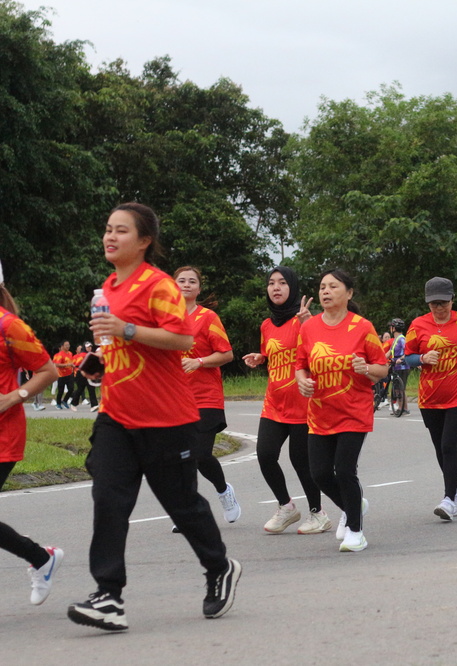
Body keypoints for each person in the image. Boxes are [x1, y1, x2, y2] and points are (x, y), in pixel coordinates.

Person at [68, 203, 239, 632]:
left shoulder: (158, 285)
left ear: (144, 240)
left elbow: (181, 338)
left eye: (121, 230)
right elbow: (117, 344)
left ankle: (219, 567)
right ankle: (108, 595)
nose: (110, 236)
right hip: (116, 415)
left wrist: (126, 329)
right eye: (108, 229)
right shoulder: (108, 287)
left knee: (182, 505)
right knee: (109, 500)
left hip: (166, 418)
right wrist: (99, 361)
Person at [295, 269, 386, 552]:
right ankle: (353, 504)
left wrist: (366, 368)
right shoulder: (309, 328)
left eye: (333, 286)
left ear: (349, 293)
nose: (325, 291)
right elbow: (300, 365)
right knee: (320, 474)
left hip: (353, 411)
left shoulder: (362, 327)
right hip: (320, 414)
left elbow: (382, 369)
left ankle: (356, 532)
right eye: (322, 286)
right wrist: (302, 382)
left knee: (345, 471)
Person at [242, 267, 327, 534]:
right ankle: (286, 506)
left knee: (301, 461)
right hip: (274, 402)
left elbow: (322, 351)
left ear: (292, 287)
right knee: (265, 455)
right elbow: (272, 351)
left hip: (302, 403)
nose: (276, 287)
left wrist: (308, 323)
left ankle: (318, 513)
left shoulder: (305, 320)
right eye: (271, 283)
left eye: (282, 283)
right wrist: (261, 357)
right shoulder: (266, 325)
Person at [0, 259, 63, 605]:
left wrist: (14, 396)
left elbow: (48, 371)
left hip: (2, 435)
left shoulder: (9, 326)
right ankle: (41, 558)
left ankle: (42, 558)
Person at [404, 277, 457, 521]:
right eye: (433, 304)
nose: (439, 308)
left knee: (449, 445)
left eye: (443, 303)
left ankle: (449, 499)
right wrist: (422, 359)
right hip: (430, 396)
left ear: (452, 300)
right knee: (440, 447)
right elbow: (407, 356)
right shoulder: (418, 324)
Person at [173, 266, 240, 529]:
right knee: (182, 458)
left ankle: (224, 491)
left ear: (199, 289)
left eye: (192, 281)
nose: (186, 285)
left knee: (200, 454)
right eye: (181, 280)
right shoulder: (166, 319)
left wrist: (198, 361)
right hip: (176, 400)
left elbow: (227, 354)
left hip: (205, 398)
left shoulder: (208, 317)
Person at [387, 318, 410, 415]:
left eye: (391, 327)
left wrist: (401, 359)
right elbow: (389, 352)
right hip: (395, 366)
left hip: (402, 366)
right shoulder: (395, 340)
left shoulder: (401, 339)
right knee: (397, 388)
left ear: (394, 328)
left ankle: (403, 408)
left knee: (400, 388)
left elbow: (407, 351)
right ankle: (402, 408)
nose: (390, 329)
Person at [69, 342, 99, 411]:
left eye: (90, 347)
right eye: (88, 347)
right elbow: (77, 364)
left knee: (91, 388)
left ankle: (94, 405)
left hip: (89, 373)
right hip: (81, 373)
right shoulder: (82, 355)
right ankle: (73, 403)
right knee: (80, 389)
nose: (90, 348)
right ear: (85, 348)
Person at [52, 340, 74, 409]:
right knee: (60, 391)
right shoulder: (60, 354)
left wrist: (72, 366)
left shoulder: (70, 353)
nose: (68, 346)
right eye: (66, 345)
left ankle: (65, 400)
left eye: (68, 345)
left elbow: (71, 362)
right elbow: (57, 364)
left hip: (69, 374)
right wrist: (67, 365)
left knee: (71, 389)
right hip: (61, 375)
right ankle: (58, 403)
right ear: (62, 346)